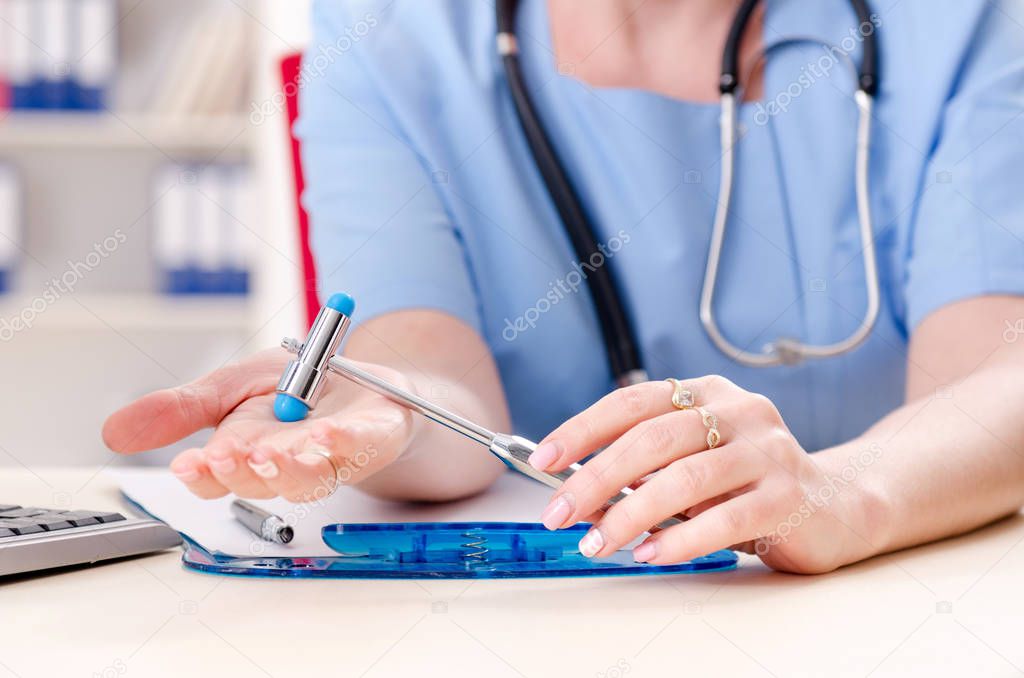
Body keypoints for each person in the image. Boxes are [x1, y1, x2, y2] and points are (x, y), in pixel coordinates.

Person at [103, 0, 1024, 574]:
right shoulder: (387, 29)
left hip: (881, 600)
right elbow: (429, 370)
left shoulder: (955, 17)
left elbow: (999, 377)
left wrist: (836, 494)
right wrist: (387, 413)